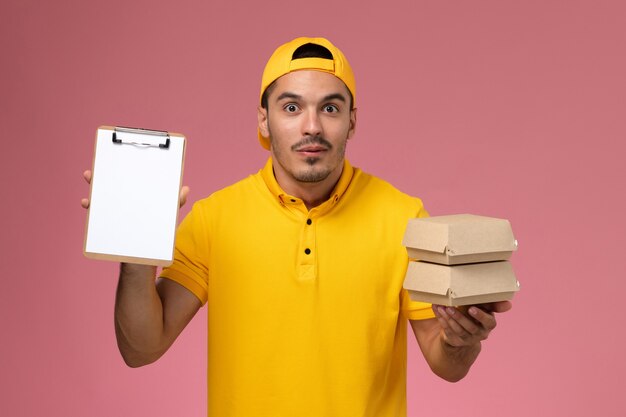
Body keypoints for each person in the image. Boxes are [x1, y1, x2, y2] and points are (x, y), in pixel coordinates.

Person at [82, 37, 511, 417]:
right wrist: (136, 256)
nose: (312, 126)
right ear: (264, 121)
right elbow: (141, 349)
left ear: (352, 121)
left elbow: (444, 363)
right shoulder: (215, 218)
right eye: (291, 107)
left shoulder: (404, 217)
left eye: (330, 108)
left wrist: (461, 340)